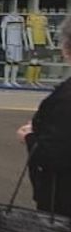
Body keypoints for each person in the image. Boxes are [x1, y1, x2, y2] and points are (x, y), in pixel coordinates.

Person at [16, 14, 71, 218]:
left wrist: (29, 136)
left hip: (62, 201)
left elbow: (54, 154)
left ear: (66, 49)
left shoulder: (65, 100)